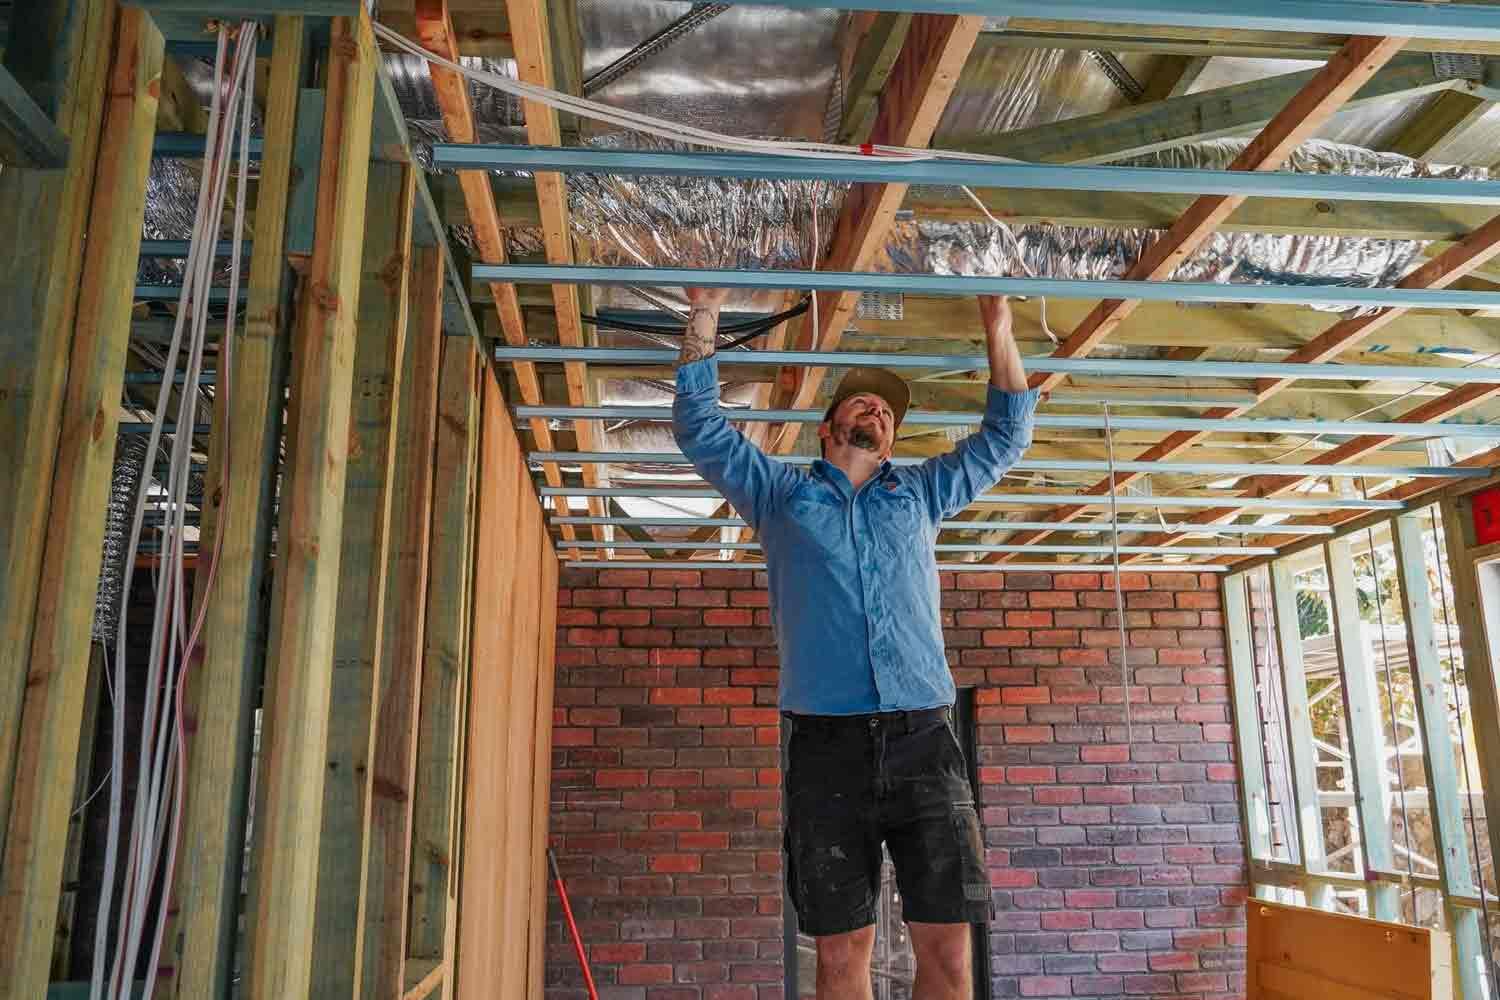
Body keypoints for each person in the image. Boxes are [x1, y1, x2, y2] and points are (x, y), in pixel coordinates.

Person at [671, 288, 1038, 1000]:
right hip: (826, 747)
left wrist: (999, 326)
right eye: (863, 404)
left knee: (953, 955)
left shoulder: (923, 492)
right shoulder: (779, 495)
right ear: (826, 427)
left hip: (925, 739)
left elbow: (1007, 436)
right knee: (840, 960)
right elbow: (700, 427)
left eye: (889, 412)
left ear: (895, 441)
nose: (878, 411)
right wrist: (706, 314)